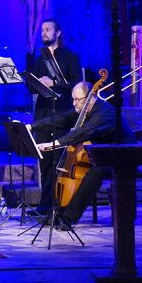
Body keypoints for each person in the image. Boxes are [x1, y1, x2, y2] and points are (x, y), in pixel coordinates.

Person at [28, 81, 136, 228]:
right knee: (73, 170)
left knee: (95, 173)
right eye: (73, 99)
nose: (74, 103)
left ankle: (68, 218)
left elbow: (84, 132)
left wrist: (54, 144)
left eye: (77, 99)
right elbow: (62, 119)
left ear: (90, 98)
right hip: (104, 156)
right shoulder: (85, 110)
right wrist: (31, 127)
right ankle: (57, 213)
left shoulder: (104, 113)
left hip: (123, 158)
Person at [28, 19, 82, 215]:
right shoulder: (40, 58)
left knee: (59, 160)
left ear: (58, 33)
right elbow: (31, 86)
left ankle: (59, 205)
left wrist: (54, 84)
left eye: (48, 29)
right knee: (45, 161)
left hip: (62, 113)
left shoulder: (70, 57)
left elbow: (78, 85)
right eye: (42, 30)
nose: (44, 32)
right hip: (43, 113)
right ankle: (44, 205)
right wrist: (34, 82)